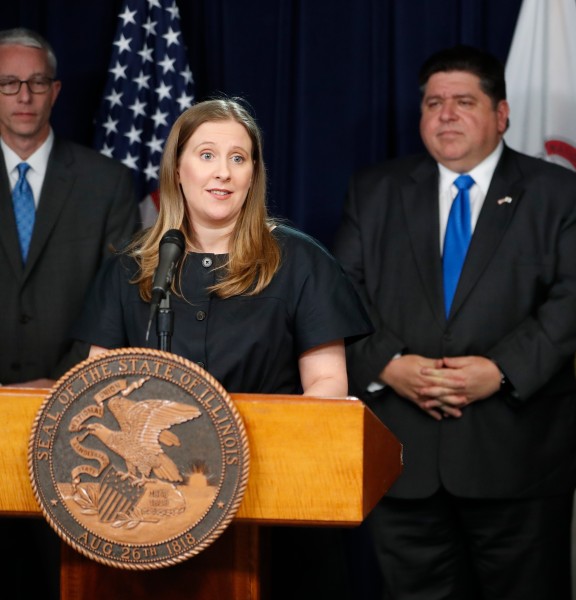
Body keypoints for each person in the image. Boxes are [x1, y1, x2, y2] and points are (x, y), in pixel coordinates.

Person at [71, 97, 372, 596]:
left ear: (254, 174)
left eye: (239, 158)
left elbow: (327, 388)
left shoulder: (299, 262)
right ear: (178, 169)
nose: (223, 172)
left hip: (275, 502)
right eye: (207, 154)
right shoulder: (130, 269)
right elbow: (95, 387)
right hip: (154, 517)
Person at [333, 45, 576, 599]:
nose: (446, 115)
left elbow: (573, 301)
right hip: (401, 459)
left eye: (463, 101)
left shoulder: (560, 194)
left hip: (517, 457)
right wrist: (390, 365)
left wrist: (499, 371)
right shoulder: (375, 191)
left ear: (501, 115)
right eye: (433, 103)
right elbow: (343, 295)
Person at [0, 27, 137, 387]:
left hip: (74, 398)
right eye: (9, 83)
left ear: (55, 91)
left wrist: (65, 383)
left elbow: (120, 303)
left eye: (38, 82)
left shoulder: (108, 183)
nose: (24, 96)